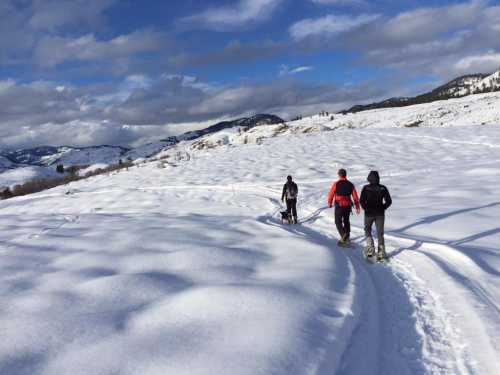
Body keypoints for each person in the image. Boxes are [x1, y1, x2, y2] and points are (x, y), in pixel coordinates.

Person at [360, 171, 392, 260]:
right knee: (380, 232)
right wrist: (383, 207)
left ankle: (370, 249)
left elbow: (361, 201)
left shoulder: (366, 188)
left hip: (369, 213)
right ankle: (381, 252)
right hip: (380, 213)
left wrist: (365, 208)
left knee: (367, 229)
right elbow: (389, 201)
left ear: (369, 178)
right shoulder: (383, 188)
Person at [327, 169, 360, 245]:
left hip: (339, 206)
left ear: (339, 175)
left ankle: (344, 236)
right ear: (345, 175)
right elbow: (355, 197)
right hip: (348, 206)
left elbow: (331, 194)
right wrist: (357, 207)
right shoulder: (350, 184)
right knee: (346, 221)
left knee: (337, 221)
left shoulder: (336, 184)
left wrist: (329, 202)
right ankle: (347, 236)